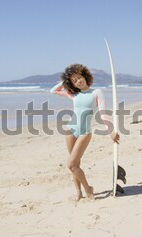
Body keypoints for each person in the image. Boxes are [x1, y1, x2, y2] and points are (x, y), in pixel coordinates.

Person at [50, 64, 120, 201]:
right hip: (70, 130)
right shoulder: (73, 94)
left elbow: (103, 114)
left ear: (85, 76)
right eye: (74, 81)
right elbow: (53, 91)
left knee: (71, 164)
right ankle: (78, 193)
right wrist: (66, 80)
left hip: (84, 133)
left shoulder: (96, 93)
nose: (78, 81)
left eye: (79, 77)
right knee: (75, 164)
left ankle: (88, 189)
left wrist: (110, 131)